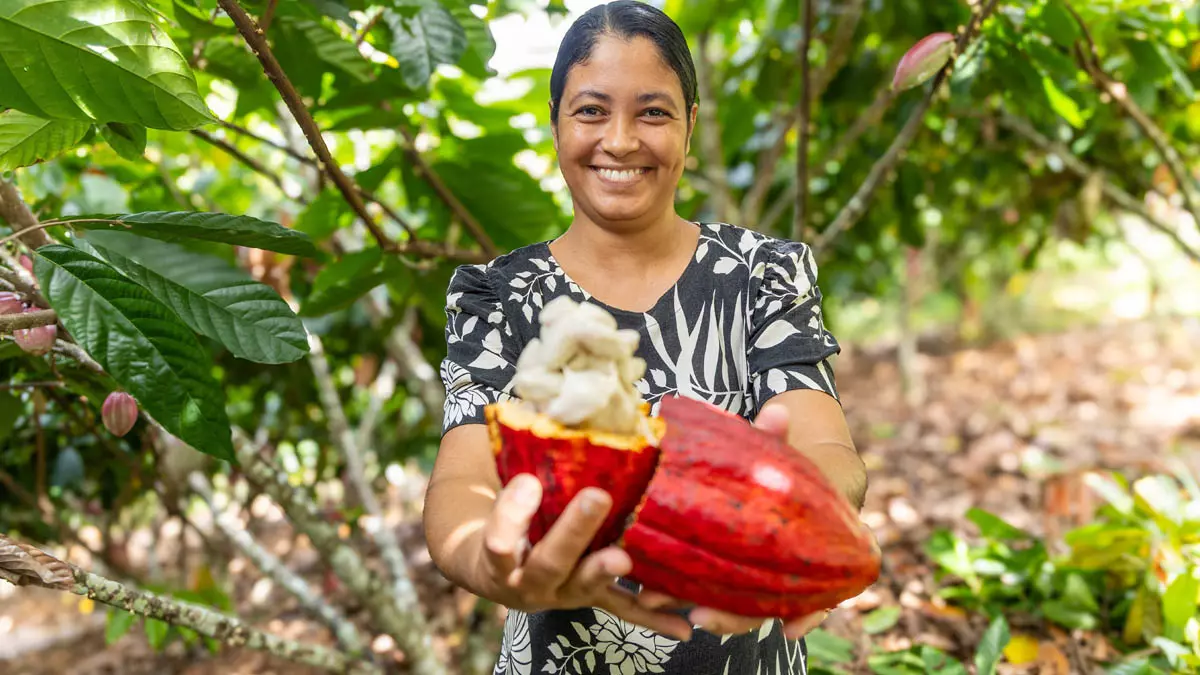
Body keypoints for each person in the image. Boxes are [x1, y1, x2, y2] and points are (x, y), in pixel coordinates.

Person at [423, 2, 869, 673]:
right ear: (555, 126)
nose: (622, 140)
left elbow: (825, 445)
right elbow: (462, 482)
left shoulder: (761, 273)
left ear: (690, 128)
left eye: (653, 112)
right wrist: (493, 559)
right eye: (592, 110)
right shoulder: (499, 293)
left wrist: (803, 513)